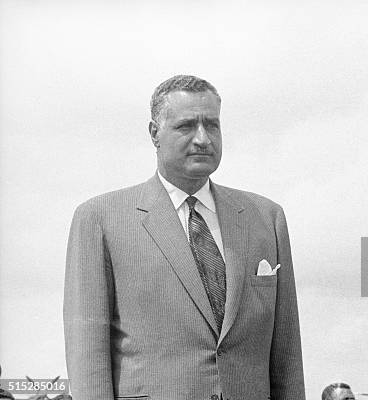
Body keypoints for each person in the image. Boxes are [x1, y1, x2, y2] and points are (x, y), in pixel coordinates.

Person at [63, 75, 305, 400]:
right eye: (187, 126)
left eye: (213, 125)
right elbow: (88, 356)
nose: (203, 138)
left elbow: (287, 355)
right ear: (154, 134)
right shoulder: (100, 220)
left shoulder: (266, 218)